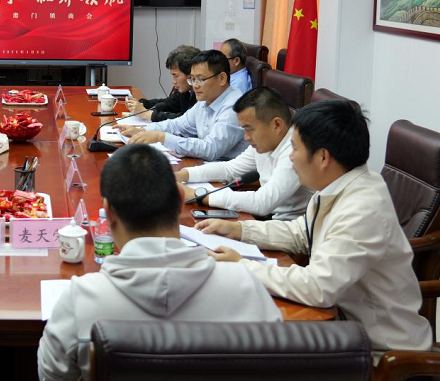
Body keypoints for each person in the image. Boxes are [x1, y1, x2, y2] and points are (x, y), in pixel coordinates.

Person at [196, 100, 432, 359]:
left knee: (246, 346)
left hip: (381, 352)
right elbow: (302, 233)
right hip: (343, 324)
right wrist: (239, 230)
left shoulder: (363, 209)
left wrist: (243, 265)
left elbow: (318, 287)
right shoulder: (339, 184)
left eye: (295, 148)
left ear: (322, 157)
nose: (290, 156)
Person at [37, 144, 282, 381]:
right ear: (180, 198)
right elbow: (279, 365)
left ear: (108, 212)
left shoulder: (81, 300)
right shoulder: (244, 286)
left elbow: (51, 375)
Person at [177, 86, 313, 221]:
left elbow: (262, 203)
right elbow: (230, 169)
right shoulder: (264, 142)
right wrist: (182, 175)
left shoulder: (295, 151)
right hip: (268, 219)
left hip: (289, 227)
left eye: (250, 129)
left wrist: (199, 196)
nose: (246, 137)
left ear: (276, 125)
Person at [122, 50, 247, 161]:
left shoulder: (234, 107)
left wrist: (161, 137)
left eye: (201, 79)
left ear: (222, 78)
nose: (195, 85)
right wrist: (142, 131)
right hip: (206, 164)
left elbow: (211, 149)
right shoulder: (205, 100)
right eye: (192, 79)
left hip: (228, 173)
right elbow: (177, 125)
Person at [126, 45, 199, 122]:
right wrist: (142, 104)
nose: (173, 81)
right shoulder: (186, 91)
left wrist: (147, 114)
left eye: (176, 75)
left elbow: (185, 121)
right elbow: (168, 103)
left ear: (190, 74)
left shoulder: (202, 96)